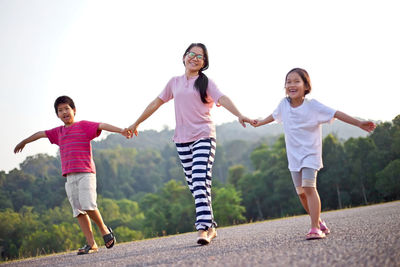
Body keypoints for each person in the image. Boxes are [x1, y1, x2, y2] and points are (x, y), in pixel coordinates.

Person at [127, 43, 254, 245]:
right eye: (191, 54)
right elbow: (155, 103)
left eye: (200, 57)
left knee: (198, 180)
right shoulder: (174, 82)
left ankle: (202, 229)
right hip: (182, 140)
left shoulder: (206, 82)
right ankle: (211, 226)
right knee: (197, 186)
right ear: (184, 56)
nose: (194, 58)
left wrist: (239, 114)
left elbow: (224, 98)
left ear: (204, 63)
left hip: (204, 136)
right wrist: (136, 123)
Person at [252, 68, 376, 239]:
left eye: (296, 81)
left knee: (309, 187)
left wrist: (359, 123)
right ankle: (318, 221)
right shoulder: (283, 104)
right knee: (301, 193)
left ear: (305, 85)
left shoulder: (313, 106)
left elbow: (336, 113)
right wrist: (258, 123)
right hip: (294, 157)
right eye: (288, 81)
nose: (292, 85)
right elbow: (273, 116)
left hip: (311, 154)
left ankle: (314, 228)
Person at [14, 95, 131, 254]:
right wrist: (24, 142)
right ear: (57, 115)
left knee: (88, 204)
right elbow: (40, 133)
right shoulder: (58, 132)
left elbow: (102, 125)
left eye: (66, 109)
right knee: (78, 211)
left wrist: (122, 131)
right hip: (69, 176)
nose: (64, 112)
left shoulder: (83, 126)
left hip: (86, 173)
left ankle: (104, 229)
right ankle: (91, 244)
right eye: (60, 110)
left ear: (74, 110)